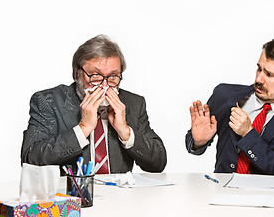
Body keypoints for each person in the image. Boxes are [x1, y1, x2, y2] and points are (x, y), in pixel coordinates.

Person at [22, 34, 167, 175]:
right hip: (72, 197)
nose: (104, 85)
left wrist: (125, 132)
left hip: (120, 196)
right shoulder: (49, 102)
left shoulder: (133, 103)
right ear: (76, 74)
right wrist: (83, 129)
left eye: (112, 77)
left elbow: (158, 163)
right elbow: (30, 158)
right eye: (95, 75)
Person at [185, 37, 274, 177]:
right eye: (259, 69)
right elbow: (193, 143)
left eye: (269, 74)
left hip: (269, 196)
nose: (259, 79)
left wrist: (248, 134)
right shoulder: (224, 95)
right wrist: (199, 142)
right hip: (222, 192)